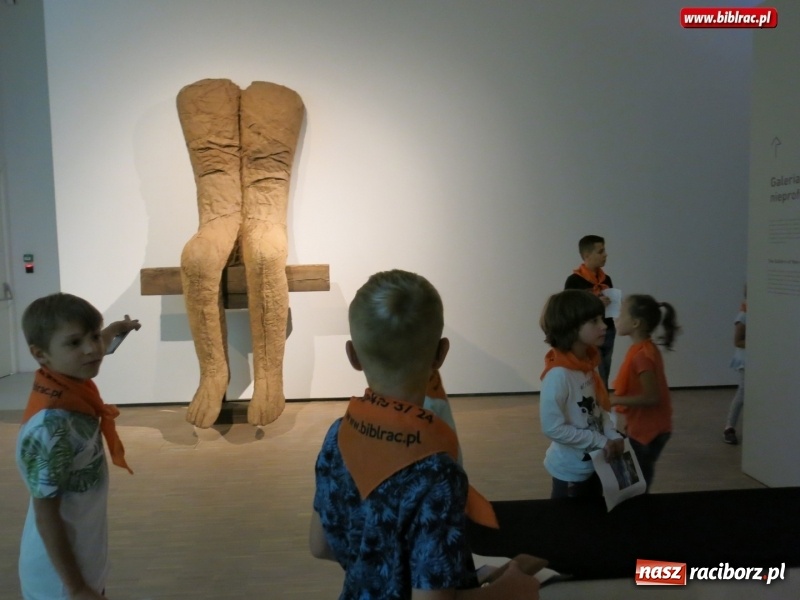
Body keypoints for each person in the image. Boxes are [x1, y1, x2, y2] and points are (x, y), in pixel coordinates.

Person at [309, 270, 540, 599]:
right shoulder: (437, 472)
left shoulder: (338, 436)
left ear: (353, 356)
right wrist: (508, 591)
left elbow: (320, 545)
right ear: (441, 354)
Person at [16, 293, 140, 600]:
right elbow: (46, 515)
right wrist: (76, 587)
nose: (91, 349)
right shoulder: (51, 426)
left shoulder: (67, 385)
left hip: (83, 562)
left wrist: (115, 329)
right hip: (59, 581)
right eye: (74, 343)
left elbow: (95, 344)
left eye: (94, 337)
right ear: (41, 354)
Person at [539, 289, 624, 499]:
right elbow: (552, 428)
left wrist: (612, 435)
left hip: (596, 463)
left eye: (602, 318)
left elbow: (597, 409)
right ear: (571, 327)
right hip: (570, 472)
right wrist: (600, 441)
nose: (604, 325)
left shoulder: (587, 364)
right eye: (594, 321)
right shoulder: (559, 375)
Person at [609, 294, 680, 491]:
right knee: (635, 479)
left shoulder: (642, 356)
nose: (616, 318)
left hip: (649, 432)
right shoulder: (644, 349)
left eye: (621, 314)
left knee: (637, 484)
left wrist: (615, 399)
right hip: (647, 428)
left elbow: (652, 397)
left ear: (635, 323)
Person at [564, 235, 616, 390]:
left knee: (605, 367)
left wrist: (612, 303)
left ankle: (603, 397)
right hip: (588, 333)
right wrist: (595, 302)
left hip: (608, 329)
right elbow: (569, 309)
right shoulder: (574, 280)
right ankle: (596, 398)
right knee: (594, 370)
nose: (605, 255)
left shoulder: (606, 279)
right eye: (600, 251)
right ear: (587, 255)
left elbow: (612, 307)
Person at [723, 290, 746, 445]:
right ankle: (729, 428)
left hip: (759, 361)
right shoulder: (743, 316)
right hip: (746, 361)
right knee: (743, 392)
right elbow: (737, 341)